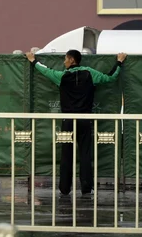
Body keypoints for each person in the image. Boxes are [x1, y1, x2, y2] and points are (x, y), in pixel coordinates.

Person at [26, 49, 127, 197]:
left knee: (66, 154)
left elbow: (45, 71)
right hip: (85, 120)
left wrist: (33, 61)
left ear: (72, 60)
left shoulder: (62, 76)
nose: (64, 61)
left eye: (66, 59)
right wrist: (119, 61)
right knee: (85, 154)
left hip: (67, 121)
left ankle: (65, 189)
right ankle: (86, 188)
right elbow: (110, 78)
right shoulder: (90, 73)